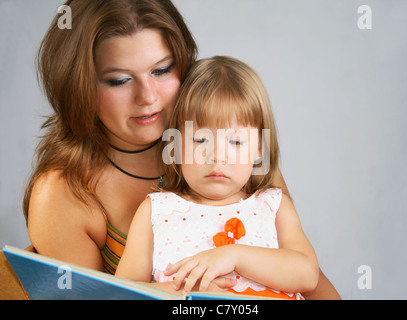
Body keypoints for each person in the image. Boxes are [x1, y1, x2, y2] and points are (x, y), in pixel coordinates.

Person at [19, 0, 340, 299]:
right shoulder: (64, 193)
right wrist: (187, 293)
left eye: (161, 70)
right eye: (118, 80)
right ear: (80, 85)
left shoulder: (236, 156)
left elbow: (311, 282)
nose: (148, 96)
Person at [116, 56, 320, 299]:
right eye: (200, 139)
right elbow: (122, 293)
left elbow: (307, 274)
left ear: (259, 150)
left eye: (235, 141)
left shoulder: (272, 206)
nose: (217, 156)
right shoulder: (157, 211)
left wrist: (235, 256)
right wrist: (184, 292)